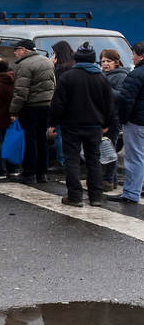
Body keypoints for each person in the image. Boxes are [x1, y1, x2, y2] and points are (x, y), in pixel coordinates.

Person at [48, 42, 113, 207]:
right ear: (93, 60)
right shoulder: (101, 78)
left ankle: (75, 197)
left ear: (77, 59)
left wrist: (53, 123)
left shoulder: (67, 77)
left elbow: (58, 104)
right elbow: (109, 104)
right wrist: (107, 123)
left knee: (72, 160)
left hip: (71, 125)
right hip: (94, 126)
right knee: (93, 160)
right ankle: (96, 197)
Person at [9, 39, 55, 185]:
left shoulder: (24, 65)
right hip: (46, 105)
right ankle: (42, 173)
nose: (15, 54)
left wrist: (13, 111)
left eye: (16, 50)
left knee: (30, 140)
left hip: (31, 106)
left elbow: (21, 91)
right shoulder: (47, 62)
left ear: (23, 50)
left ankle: (29, 173)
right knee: (42, 139)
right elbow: (53, 84)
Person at [110, 41, 144, 204]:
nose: (132, 57)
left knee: (135, 158)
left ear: (141, 55)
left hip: (137, 122)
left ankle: (131, 193)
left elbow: (126, 100)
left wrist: (122, 119)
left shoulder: (136, 74)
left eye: (133, 54)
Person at [99, 49, 129, 191]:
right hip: (100, 117)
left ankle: (108, 180)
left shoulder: (121, 76)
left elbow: (121, 96)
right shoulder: (101, 75)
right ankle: (111, 180)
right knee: (103, 149)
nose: (105, 64)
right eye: (103, 61)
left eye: (108, 61)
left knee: (109, 150)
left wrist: (106, 88)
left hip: (113, 118)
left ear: (116, 62)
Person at [49, 40, 75, 171]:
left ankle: (61, 160)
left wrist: (51, 66)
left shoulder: (60, 69)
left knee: (59, 133)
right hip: (75, 107)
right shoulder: (75, 66)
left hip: (63, 106)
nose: (52, 57)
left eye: (53, 54)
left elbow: (56, 90)